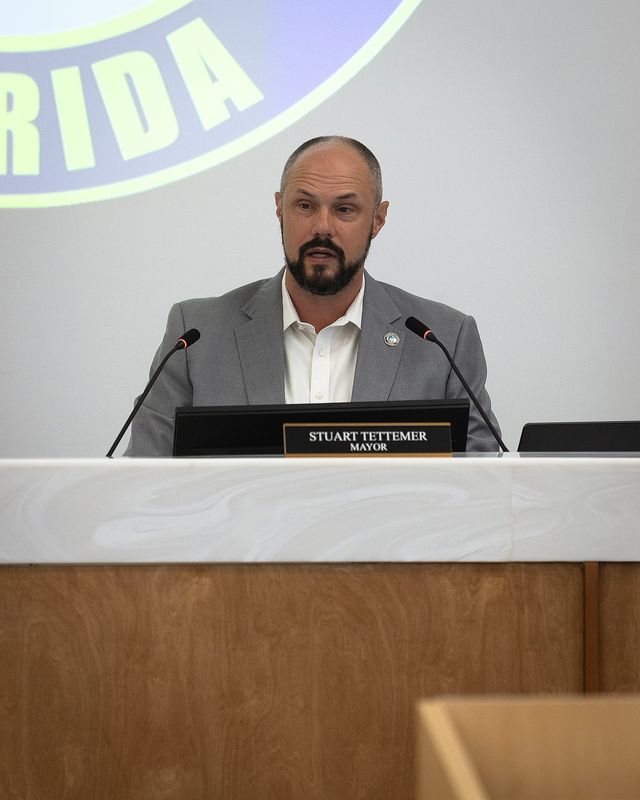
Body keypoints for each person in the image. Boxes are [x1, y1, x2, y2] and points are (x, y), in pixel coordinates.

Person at [125, 136, 501, 455]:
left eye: (345, 209)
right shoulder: (196, 336)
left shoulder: (442, 339)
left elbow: (486, 486)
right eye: (305, 206)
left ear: (378, 219)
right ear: (279, 208)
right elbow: (144, 477)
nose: (322, 227)